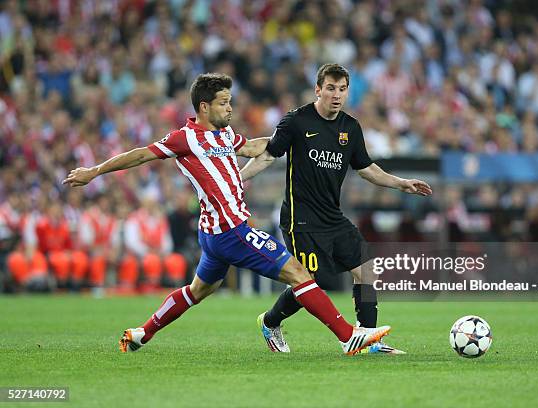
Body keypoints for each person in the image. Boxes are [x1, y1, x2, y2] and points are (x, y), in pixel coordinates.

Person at [62, 72, 391, 355]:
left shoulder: (225, 135)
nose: (230, 108)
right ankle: (348, 337)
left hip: (214, 234)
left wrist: (297, 137)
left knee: (197, 291)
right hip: (230, 231)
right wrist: (94, 170)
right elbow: (139, 156)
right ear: (204, 107)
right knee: (299, 273)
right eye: (223, 102)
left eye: (230, 101)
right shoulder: (184, 138)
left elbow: (254, 147)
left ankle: (141, 333)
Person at [241, 64, 432, 354]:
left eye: (342, 89)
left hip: (332, 217)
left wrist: (400, 183)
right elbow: (269, 156)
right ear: (318, 89)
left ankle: (368, 339)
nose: (336, 95)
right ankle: (269, 322)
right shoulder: (297, 121)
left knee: (366, 271)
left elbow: (366, 168)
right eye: (330, 88)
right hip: (300, 218)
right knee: (308, 281)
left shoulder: (350, 128)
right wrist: (233, 179)